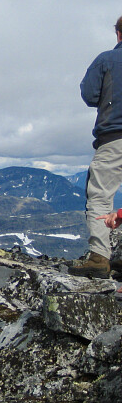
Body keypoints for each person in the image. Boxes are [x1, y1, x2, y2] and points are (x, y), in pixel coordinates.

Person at [72, 15, 122, 278]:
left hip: (114, 138)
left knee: (101, 195)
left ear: (118, 34)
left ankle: (100, 258)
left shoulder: (105, 60)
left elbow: (89, 95)